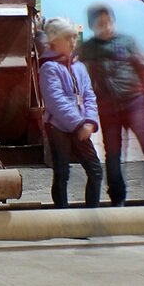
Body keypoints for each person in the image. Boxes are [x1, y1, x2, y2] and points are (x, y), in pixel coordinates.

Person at [79, 3, 144, 206]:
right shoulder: (87, 49)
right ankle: (118, 200)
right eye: (100, 24)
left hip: (134, 104)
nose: (106, 27)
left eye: (108, 23)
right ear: (92, 26)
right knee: (113, 156)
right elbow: (73, 68)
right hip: (108, 109)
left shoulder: (126, 42)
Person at [38, 17, 103, 208]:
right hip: (59, 127)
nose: (73, 43)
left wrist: (89, 121)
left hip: (81, 125)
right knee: (61, 172)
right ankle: (63, 216)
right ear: (55, 41)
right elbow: (56, 102)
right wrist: (79, 124)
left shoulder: (79, 67)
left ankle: (91, 214)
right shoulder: (49, 68)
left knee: (95, 169)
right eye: (68, 38)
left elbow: (89, 96)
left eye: (74, 38)